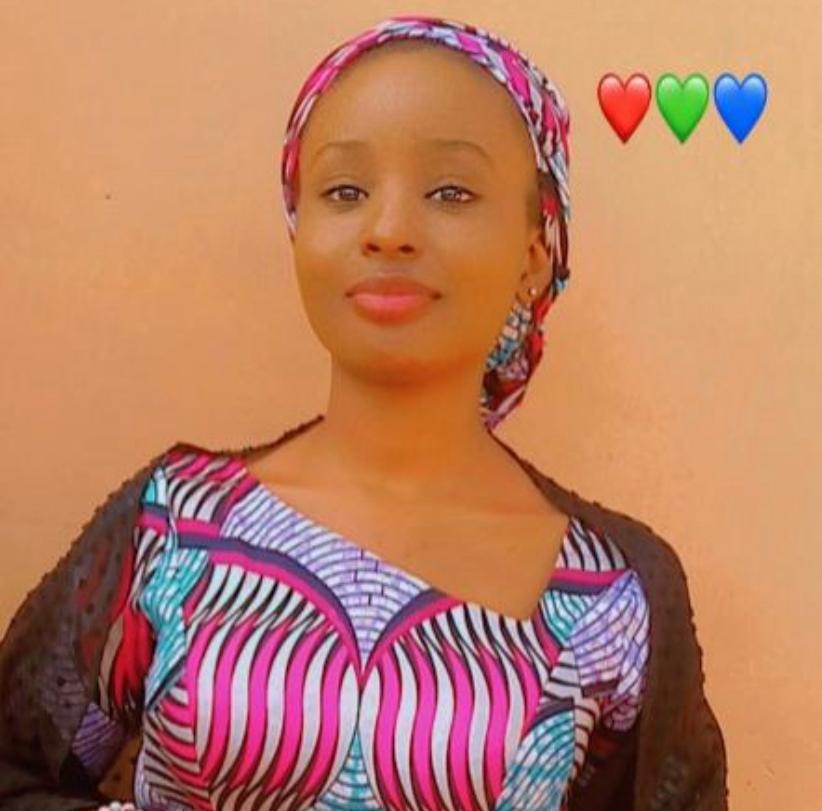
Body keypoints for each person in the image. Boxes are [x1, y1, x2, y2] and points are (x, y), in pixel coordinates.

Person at [0, 14, 728, 811]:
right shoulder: (175, 526)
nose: (388, 231)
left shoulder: (613, 598)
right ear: (299, 229)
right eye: (345, 191)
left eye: (451, 192)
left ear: (534, 252)